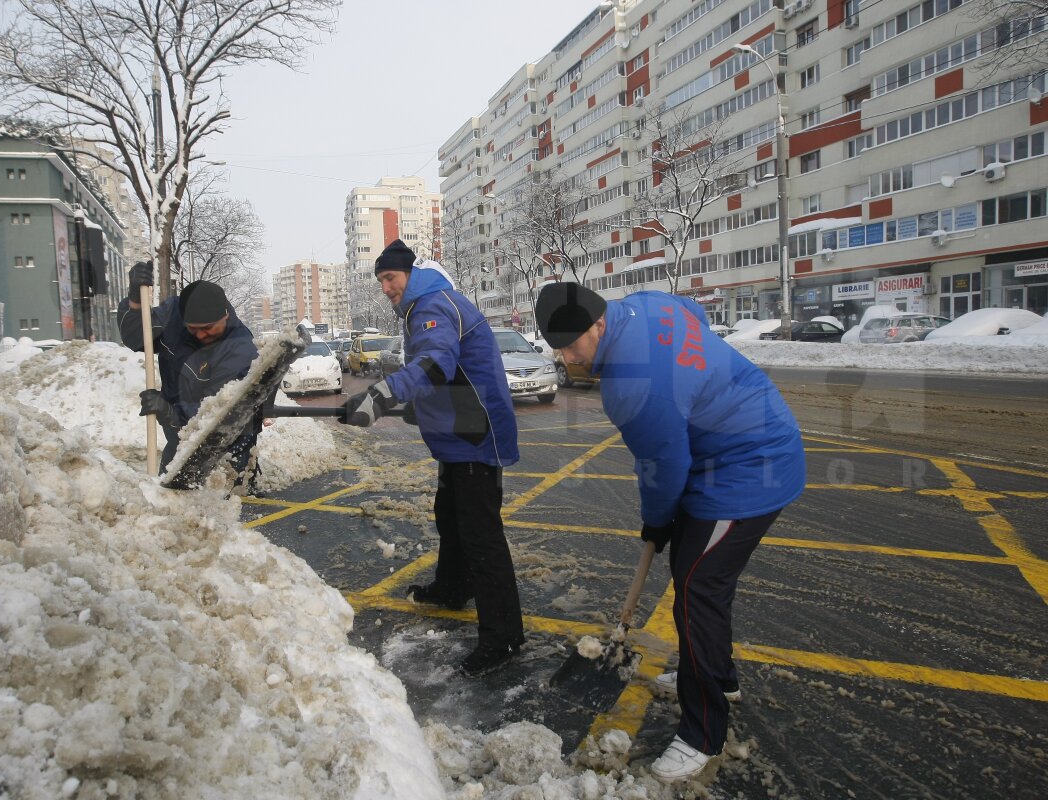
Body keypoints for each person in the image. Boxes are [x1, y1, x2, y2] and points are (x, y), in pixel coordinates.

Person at [535, 281, 805, 782]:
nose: (568, 358)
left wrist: (657, 522)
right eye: (558, 348)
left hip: (748, 468)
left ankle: (703, 734)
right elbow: (691, 312)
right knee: (704, 581)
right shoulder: (646, 304)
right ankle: (718, 676)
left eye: (572, 345)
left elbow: (664, 467)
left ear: (599, 323)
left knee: (696, 589)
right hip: (743, 440)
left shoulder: (631, 386)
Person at [341, 239, 524, 677]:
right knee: (451, 516)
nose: (386, 287)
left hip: (476, 436)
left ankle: (503, 638)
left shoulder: (432, 305)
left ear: (410, 274)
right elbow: (447, 375)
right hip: (459, 434)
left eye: (390, 277)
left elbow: (436, 363)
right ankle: (453, 588)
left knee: (481, 535)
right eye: (381, 280)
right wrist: (415, 406)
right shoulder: (426, 304)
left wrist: (381, 395)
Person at [117, 264, 262, 485]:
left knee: (226, 495)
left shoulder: (240, 348)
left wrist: (170, 412)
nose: (201, 334)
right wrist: (136, 302)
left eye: (208, 328)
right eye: (193, 328)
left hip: (227, 445)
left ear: (224, 316)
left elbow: (217, 413)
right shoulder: (174, 313)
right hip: (180, 440)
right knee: (169, 493)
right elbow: (137, 337)